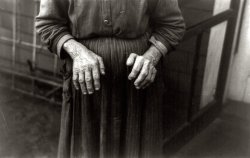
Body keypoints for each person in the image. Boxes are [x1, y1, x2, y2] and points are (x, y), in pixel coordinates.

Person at [35, 0, 185, 157]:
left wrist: (151, 57)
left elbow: (172, 25)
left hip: (138, 85)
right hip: (86, 85)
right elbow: (48, 24)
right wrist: (77, 52)